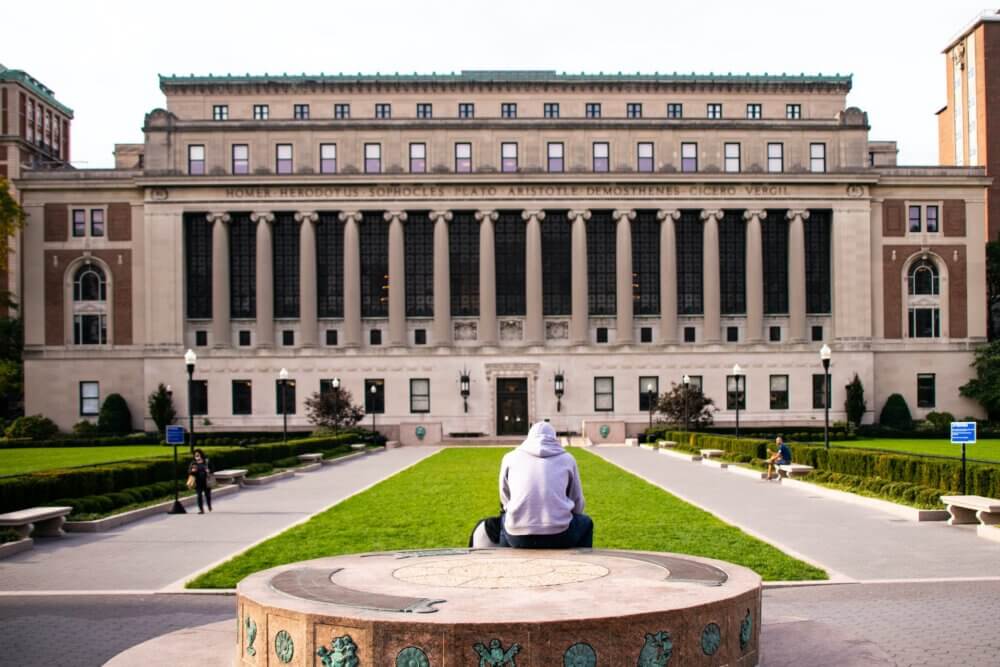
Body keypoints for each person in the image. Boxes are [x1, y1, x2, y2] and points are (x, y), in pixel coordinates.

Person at [497, 421, 593, 548]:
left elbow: (505, 496)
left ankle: (505, 561)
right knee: (586, 523)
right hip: (560, 534)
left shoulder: (510, 457)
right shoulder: (567, 459)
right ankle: (582, 562)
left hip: (517, 536)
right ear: (554, 438)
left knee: (506, 522)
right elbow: (577, 499)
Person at [188, 448, 213, 513]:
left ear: (201, 455)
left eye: (198, 455)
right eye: (196, 455)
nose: (197, 456)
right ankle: (201, 510)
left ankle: (209, 505)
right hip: (197, 482)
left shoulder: (206, 461)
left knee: (207, 495)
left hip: (206, 481)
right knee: (199, 495)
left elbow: (212, 469)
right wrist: (192, 471)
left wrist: (209, 471)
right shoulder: (193, 463)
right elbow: (189, 471)